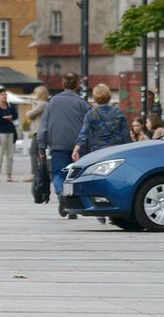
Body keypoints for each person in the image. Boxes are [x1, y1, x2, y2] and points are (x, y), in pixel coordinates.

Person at [38, 74, 90, 219]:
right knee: (72, 176)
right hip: (78, 147)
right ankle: (69, 203)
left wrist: (41, 147)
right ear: (77, 84)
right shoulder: (82, 103)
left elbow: (43, 127)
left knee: (58, 174)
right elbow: (89, 125)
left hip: (58, 144)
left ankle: (62, 195)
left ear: (63, 84)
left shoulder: (52, 102)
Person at [73, 84, 131, 160]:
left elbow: (84, 134)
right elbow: (125, 133)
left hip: (97, 151)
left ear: (94, 97)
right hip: (116, 150)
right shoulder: (118, 112)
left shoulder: (91, 114)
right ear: (109, 95)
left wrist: (76, 149)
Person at [0, 88, 18, 182]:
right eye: (2, 94)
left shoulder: (10, 106)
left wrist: (9, 117)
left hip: (11, 132)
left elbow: (15, 115)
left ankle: (9, 176)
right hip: (0, 133)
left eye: (5, 94)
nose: (4, 96)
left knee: (10, 156)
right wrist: (8, 118)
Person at [26, 86, 49, 180]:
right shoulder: (43, 104)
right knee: (40, 153)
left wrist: (29, 112)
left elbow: (30, 114)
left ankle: (34, 173)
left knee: (33, 152)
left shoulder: (42, 104)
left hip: (39, 131)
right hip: (40, 131)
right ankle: (42, 174)